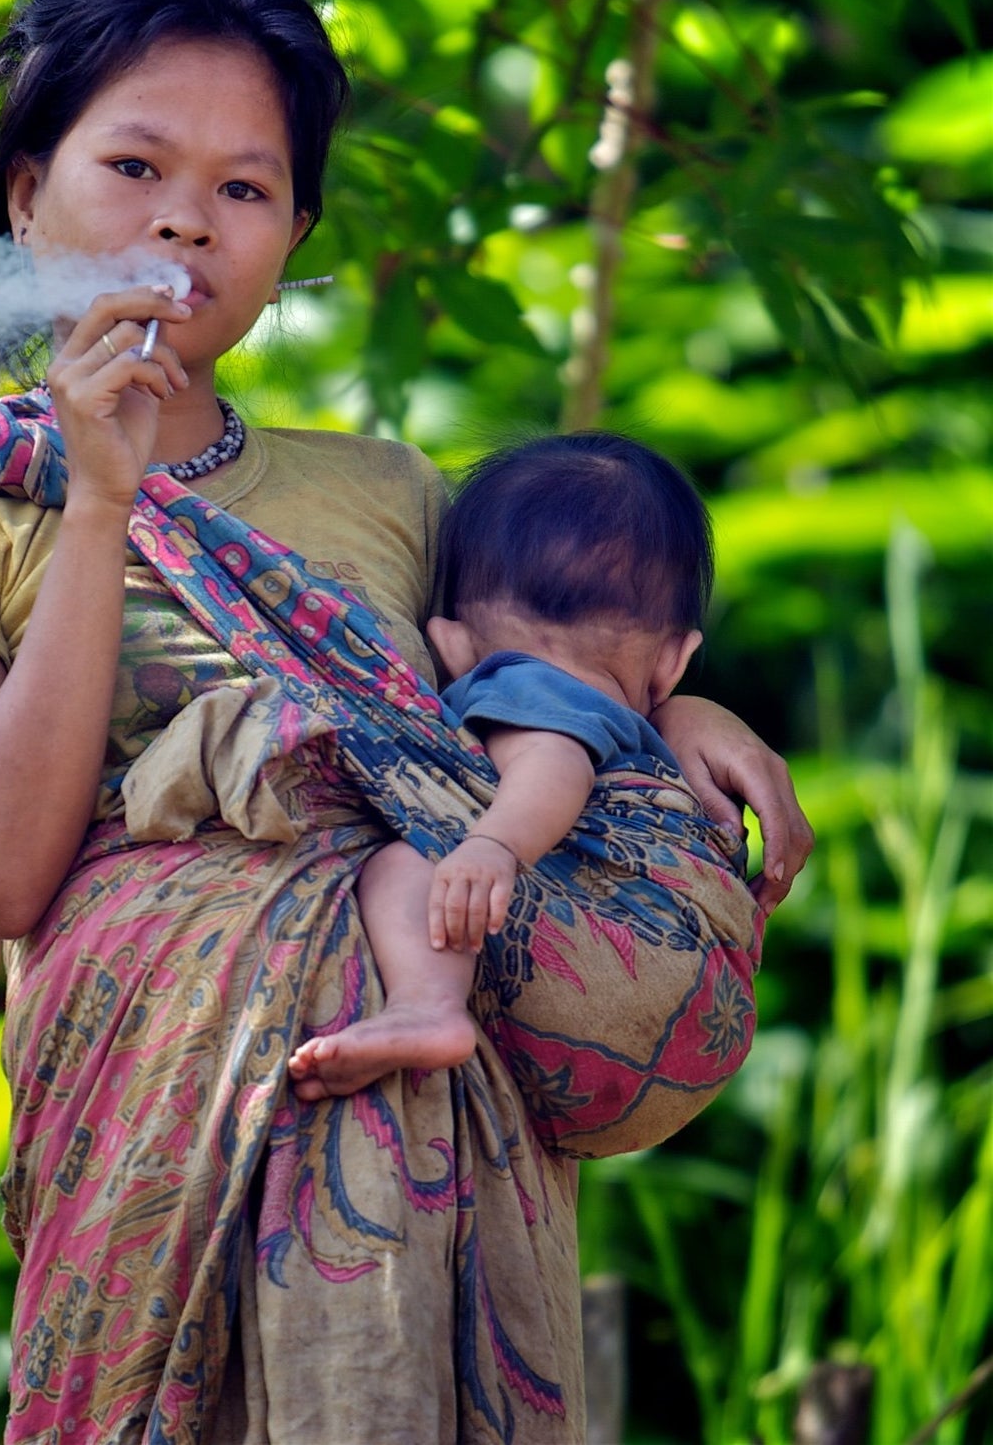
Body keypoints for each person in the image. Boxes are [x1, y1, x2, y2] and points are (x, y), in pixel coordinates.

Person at [0, 0, 812, 1445]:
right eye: (132, 165)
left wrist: (666, 715)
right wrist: (94, 506)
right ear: (28, 195)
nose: (185, 223)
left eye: (245, 187)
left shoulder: (399, 494)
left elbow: (515, 694)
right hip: (154, 1144)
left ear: (288, 239)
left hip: (448, 1153)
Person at [288, 431, 722, 1100]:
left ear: (449, 644)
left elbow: (553, 761)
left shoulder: (514, 683)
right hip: (687, 998)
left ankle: (425, 1005)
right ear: (674, 660)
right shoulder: (631, 727)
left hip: (565, 923)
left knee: (403, 860)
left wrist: (493, 844)